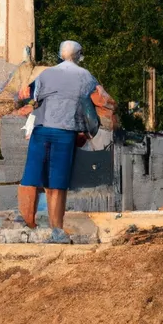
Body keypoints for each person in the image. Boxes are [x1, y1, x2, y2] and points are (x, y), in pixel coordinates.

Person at [16, 41, 108, 243]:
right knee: (57, 183)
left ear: (60, 54)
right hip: (66, 132)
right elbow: (102, 101)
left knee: (31, 177)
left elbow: (27, 95)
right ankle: (56, 230)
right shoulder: (86, 76)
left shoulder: (46, 74)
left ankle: (28, 222)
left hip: (42, 129)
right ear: (79, 55)